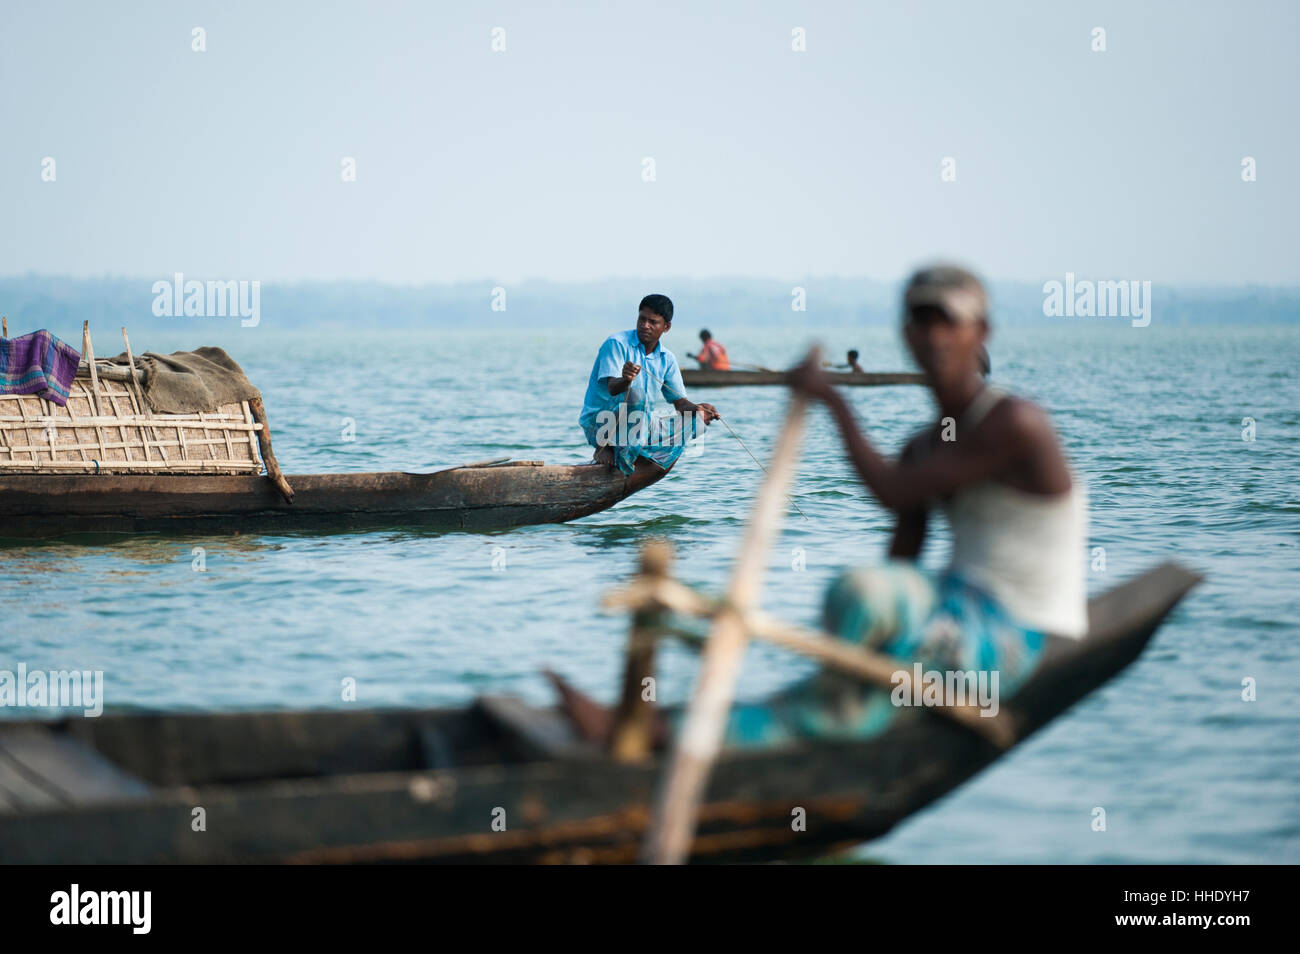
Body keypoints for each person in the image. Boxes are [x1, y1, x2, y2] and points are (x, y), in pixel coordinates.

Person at [553, 266, 1087, 749]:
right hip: (952, 601)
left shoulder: (1015, 424)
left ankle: (700, 728)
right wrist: (876, 639)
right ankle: (830, 704)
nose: (934, 336)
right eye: (920, 322)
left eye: (948, 321)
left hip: (1019, 628)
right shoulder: (925, 446)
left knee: (859, 603)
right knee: (858, 597)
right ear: (906, 336)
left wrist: (831, 400)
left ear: (981, 333)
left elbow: (894, 492)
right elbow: (903, 553)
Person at [579, 294, 720, 474]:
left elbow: (680, 404)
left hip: (638, 426)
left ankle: (635, 454)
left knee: (697, 421)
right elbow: (613, 388)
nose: (645, 325)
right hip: (602, 425)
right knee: (636, 394)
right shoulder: (616, 344)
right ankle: (610, 450)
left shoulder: (667, 359)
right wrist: (625, 380)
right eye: (642, 319)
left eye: (652, 322)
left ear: (666, 327)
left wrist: (699, 408)